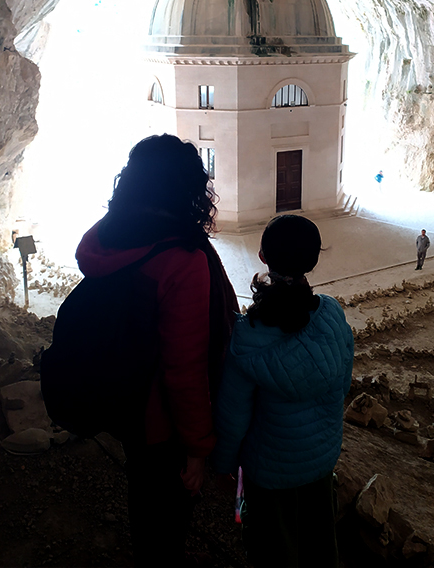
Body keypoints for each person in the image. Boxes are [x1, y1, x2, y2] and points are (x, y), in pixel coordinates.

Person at [75, 134, 238, 568]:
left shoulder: (108, 235)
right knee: (169, 506)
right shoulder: (181, 259)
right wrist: (198, 448)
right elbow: (184, 369)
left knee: (143, 493)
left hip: (121, 397)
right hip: (159, 418)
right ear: (189, 189)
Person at [213, 215, 354, 568]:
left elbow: (234, 416)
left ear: (262, 256)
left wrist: (224, 464)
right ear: (313, 260)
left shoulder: (248, 336)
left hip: (270, 470)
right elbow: (343, 381)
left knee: (274, 550)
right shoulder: (332, 316)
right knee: (320, 542)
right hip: (321, 459)